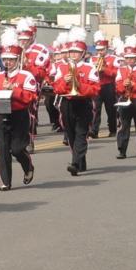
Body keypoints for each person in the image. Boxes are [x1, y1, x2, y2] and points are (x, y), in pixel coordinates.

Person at [47, 29, 100, 175]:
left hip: (83, 103)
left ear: (83, 53)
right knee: (70, 134)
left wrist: (78, 84)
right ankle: (80, 161)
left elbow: (95, 89)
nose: (73, 54)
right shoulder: (62, 67)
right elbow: (56, 88)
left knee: (81, 133)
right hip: (67, 103)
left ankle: (75, 163)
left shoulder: (90, 68)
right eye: (71, 52)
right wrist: (65, 81)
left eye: (77, 52)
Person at [0, 28, 36, 191]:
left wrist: (13, 90)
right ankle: (6, 181)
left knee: (16, 149)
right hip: (2, 112)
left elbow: (31, 98)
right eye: (5, 59)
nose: (8, 63)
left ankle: (28, 166)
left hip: (19, 114)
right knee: (2, 149)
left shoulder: (26, 76)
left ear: (17, 59)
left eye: (11, 59)